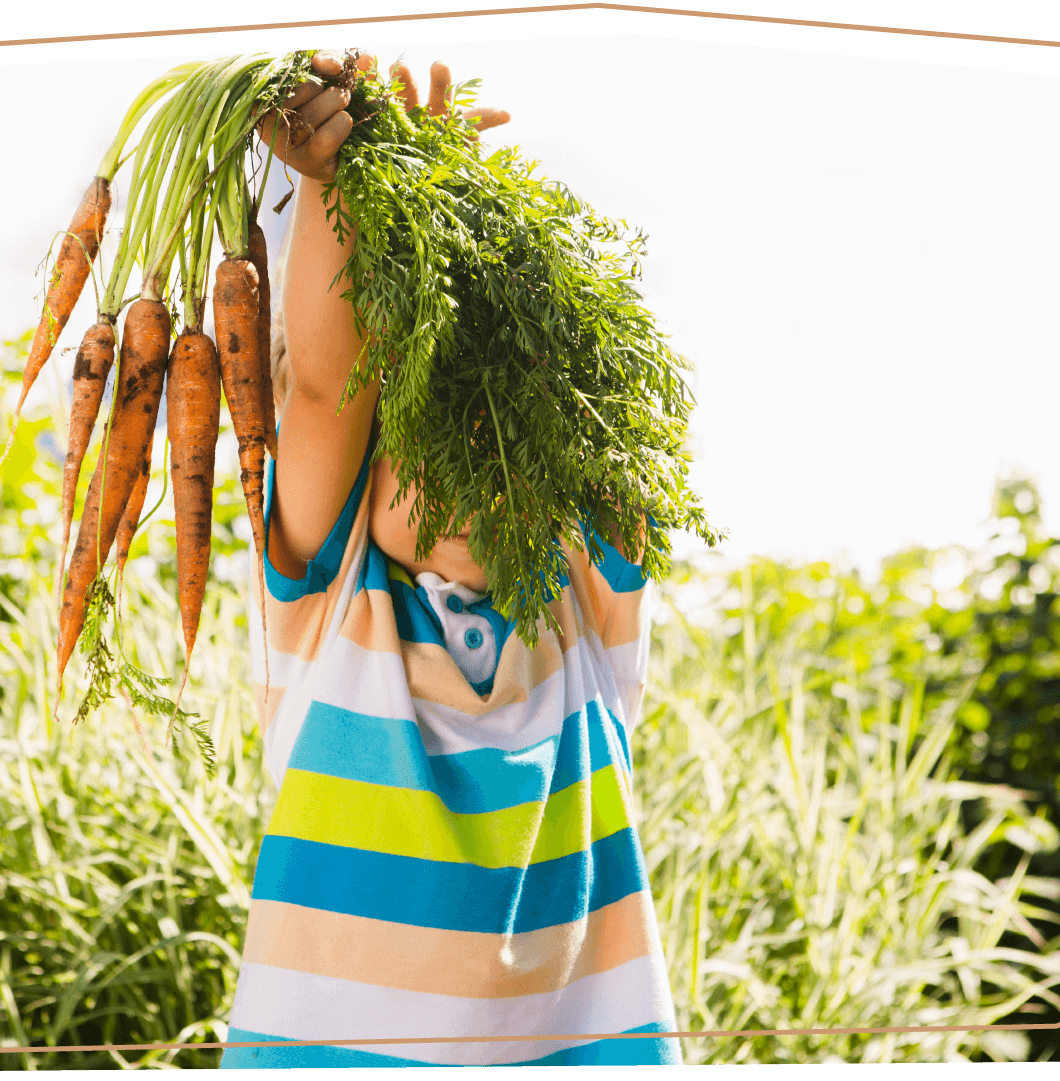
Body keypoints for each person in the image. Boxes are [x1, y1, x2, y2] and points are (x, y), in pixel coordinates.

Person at [218, 52, 683, 1069]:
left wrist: (452, 204)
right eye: (425, 448)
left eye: (503, 445)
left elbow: (593, 400)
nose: (471, 477)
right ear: (364, 468)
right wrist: (339, 189)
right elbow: (324, 390)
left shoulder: (581, 621)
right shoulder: (331, 609)